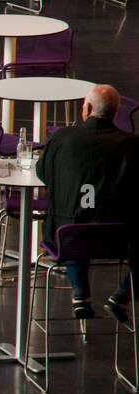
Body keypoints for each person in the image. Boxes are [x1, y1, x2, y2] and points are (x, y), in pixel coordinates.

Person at [36, 84, 139, 320]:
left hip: (65, 237)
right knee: (93, 215)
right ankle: (121, 296)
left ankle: (80, 293)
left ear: (88, 108)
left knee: (78, 214)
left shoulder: (61, 139)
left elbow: (43, 173)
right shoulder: (133, 146)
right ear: (115, 112)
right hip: (119, 240)